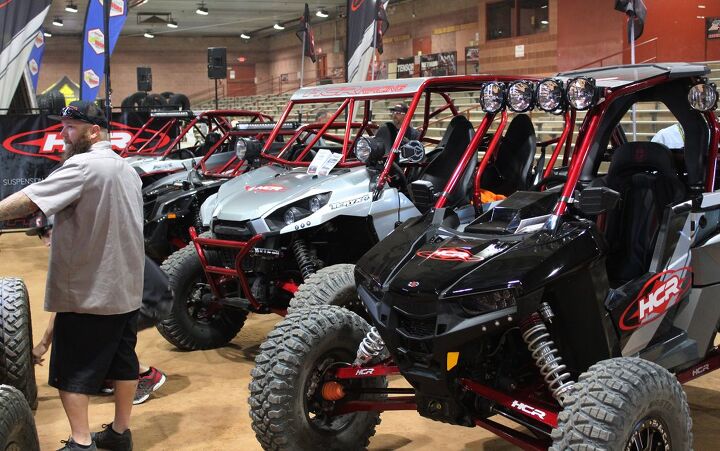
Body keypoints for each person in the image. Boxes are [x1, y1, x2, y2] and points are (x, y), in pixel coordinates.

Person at [0, 100, 144, 451]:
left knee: (72, 371)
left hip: (90, 292)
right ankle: (119, 434)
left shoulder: (83, 166)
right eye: (62, 127)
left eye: (70, 128)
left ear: (94, 131)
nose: (63, 134)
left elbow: (29, 200)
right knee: (123, 364)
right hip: (126, 289)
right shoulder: (127, 169)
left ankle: (81, 443)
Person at [27, 214, 169, 406]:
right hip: (139, 297)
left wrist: (43, 345)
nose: (46, 242)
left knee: (88, 327)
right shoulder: (85, 242)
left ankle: (146, 375)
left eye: (48, 232)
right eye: (41, 236)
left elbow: (64, 306)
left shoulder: (82, 252)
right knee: (90, 321)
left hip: (151, 301)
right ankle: (108, 375)